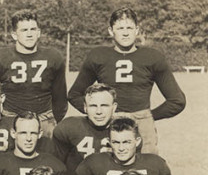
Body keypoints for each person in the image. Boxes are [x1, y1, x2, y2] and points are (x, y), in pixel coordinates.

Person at [67, 8, 185, 154]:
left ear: (137, 30)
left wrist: (148, 116)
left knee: (146, 171)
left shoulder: (152, 57)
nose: (125, 32)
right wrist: (99, 115)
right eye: (120, 28)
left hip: (141, 127)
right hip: (109, 125)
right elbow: (74, 94)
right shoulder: (98, 56)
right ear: (111, 31)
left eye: (129, 27)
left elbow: (177, 100)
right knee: (106, 171)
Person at [0, 10, 68, 137]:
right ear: (14, 35)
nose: (29, 34)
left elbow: (60, 97)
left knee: (48, 155)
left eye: (33, 29)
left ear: (38, 32)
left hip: (44, 118)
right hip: (10, 118)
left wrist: (53, 121)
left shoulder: (53, 57)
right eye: (24, 30)